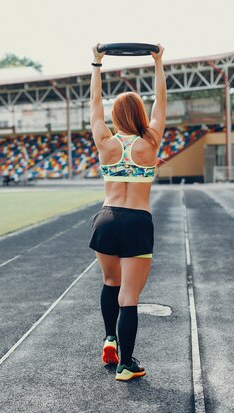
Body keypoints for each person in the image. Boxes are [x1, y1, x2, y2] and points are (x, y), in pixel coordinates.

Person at [88, 43, 166, 381]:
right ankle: (126, 364)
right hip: (136, 219)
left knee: (110, 282)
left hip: (106, 219)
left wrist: (96, 64)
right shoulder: (149, 142)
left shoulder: (105, 142)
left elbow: (94, 106)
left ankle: (109, 339)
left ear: (115, 117)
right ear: (140, 114)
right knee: (129, 295)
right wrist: (158, 62)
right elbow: (162, 103)